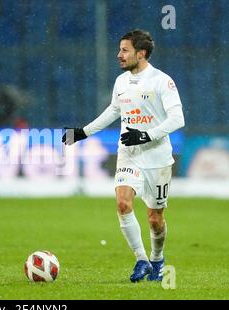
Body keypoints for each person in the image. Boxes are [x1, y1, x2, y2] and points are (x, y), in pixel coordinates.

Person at [62, 29, 185, 282]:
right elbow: (113, 110)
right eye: (120, 49)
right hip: (128, 154)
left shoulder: (162, 81)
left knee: (155, 219)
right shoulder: (121, 82)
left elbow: (177, 119)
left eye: (125, 50)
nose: (119, 55)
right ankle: (141, 260)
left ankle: (157, 259)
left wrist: (146, 135)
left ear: (141, 54)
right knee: (122, 203)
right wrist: (82, 132)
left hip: (157, 158)